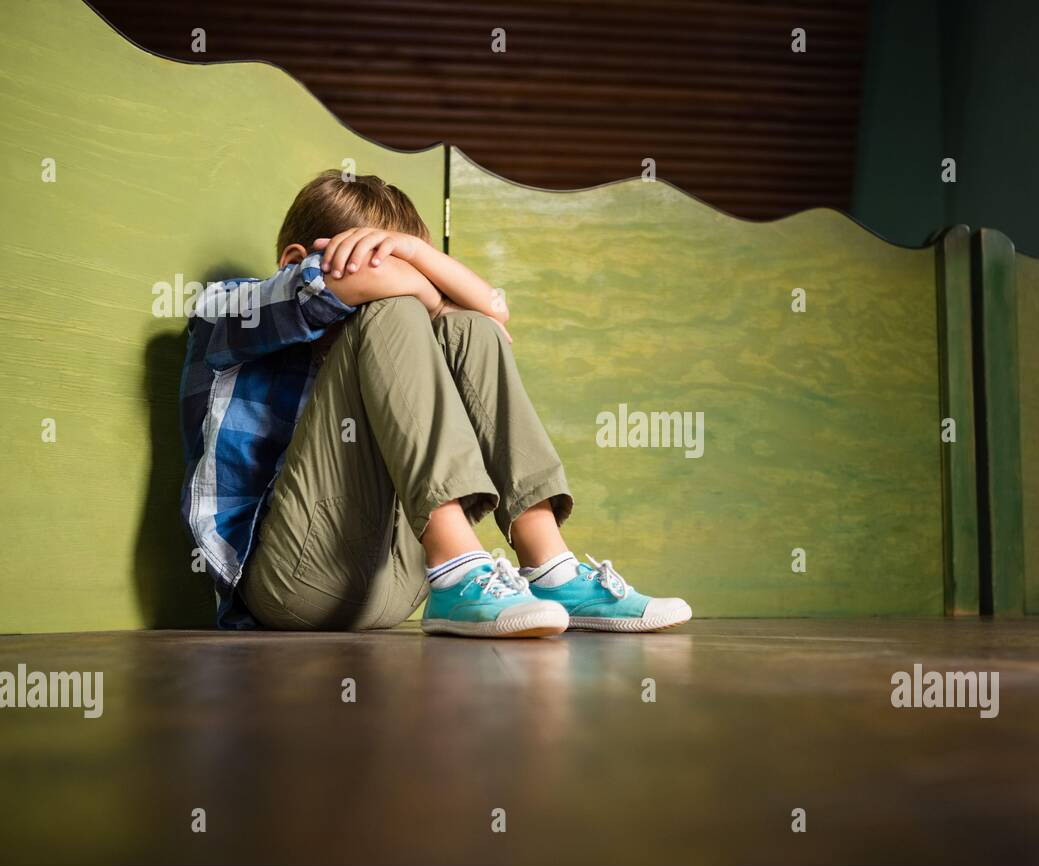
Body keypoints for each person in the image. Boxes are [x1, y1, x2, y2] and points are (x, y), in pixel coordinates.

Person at [180, 170, 691, 637]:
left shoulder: (394, 338)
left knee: (472, 328)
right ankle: (458, 564)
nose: (409, 283)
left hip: (397, 584)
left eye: (411, 263)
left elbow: (493, 311)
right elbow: (354, 291)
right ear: (296, 262)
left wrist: (420, 262)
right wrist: (428, 293)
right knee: (399, 311)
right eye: (387, 262)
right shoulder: (230, 307)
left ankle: (550, 567)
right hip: (289, 583)